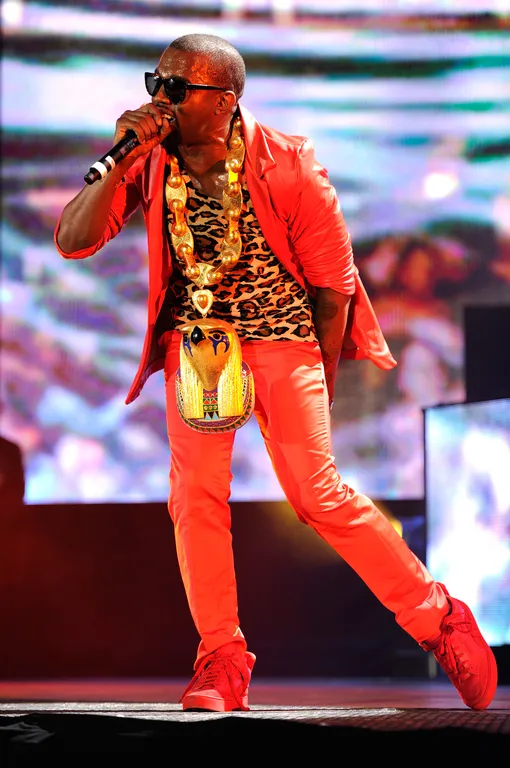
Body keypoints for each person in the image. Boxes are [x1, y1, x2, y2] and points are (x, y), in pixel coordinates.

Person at [54, 33, 498, 713]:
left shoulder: (287, 161)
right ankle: (223, 661)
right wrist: (117, 161)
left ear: (225, 100)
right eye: (155, 82)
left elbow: (334, 284)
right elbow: (73, 240)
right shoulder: (149, 159)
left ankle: (440, 620)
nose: (159, 100)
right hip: (199, 344)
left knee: (317, 495)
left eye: (177, 88)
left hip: (283, 338)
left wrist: (317, 374)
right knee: (195, 497)